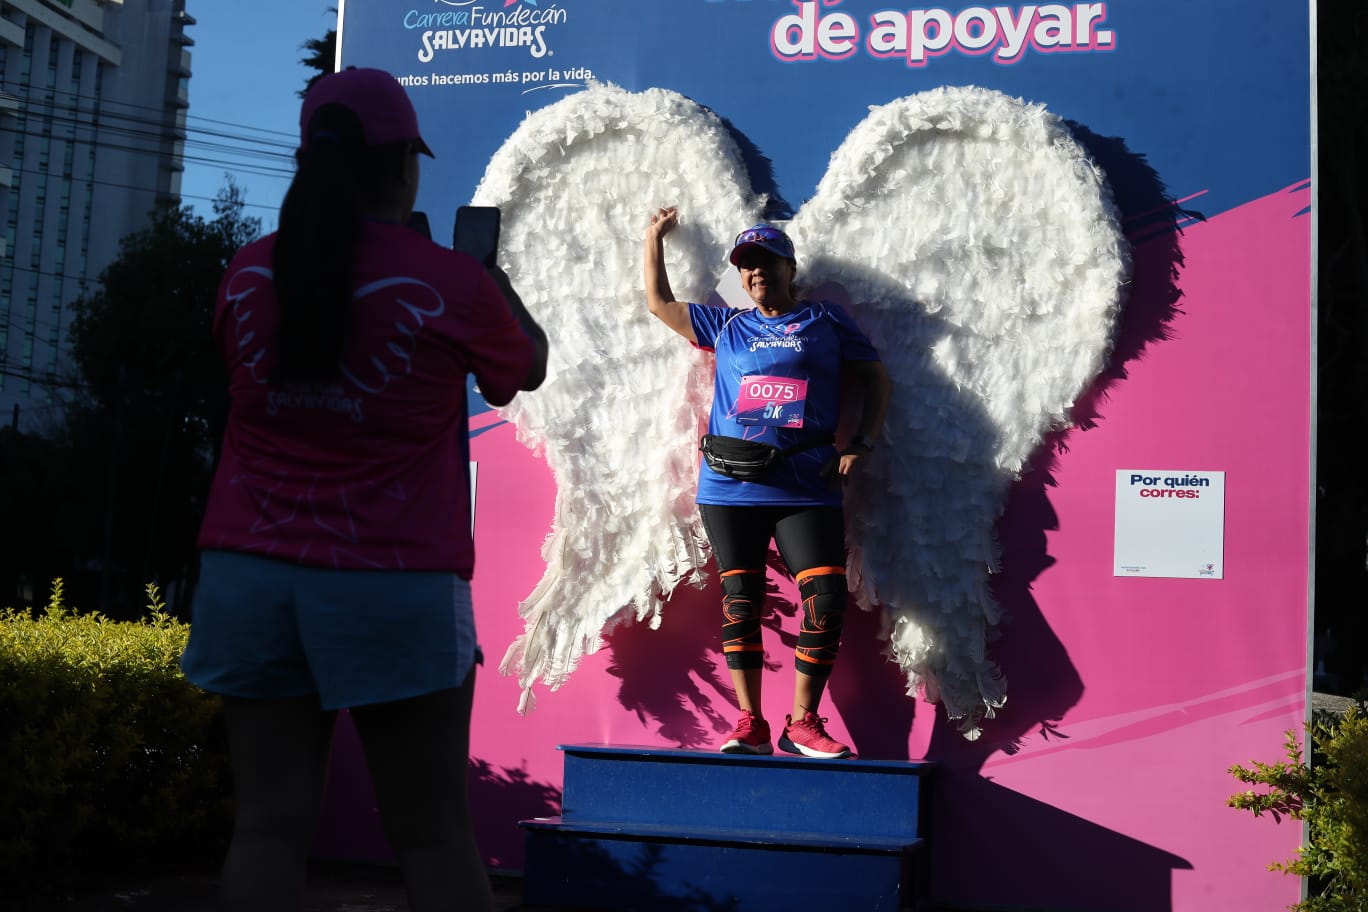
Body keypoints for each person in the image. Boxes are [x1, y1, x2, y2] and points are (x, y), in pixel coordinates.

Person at [180, 67, 547, 912]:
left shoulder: (245, 274)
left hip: (248, 577)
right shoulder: (449, 283)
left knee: (267, 829)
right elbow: (523, 368)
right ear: (401, 167)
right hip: (393, 582)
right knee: (432, 835)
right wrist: (486, 277)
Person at [643, 207, 891, 759]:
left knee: (824, 599)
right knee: (741, 600)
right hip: (730, 487)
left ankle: (802, 723)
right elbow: (659, 304)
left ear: (790, 268)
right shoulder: (727, 324)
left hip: (806, 484)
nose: (757, 273)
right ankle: (749, 723)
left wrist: (860, 446)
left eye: (767, 263)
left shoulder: (825, 321)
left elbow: (876, 380)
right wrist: (653, 238)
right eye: (747, 266)